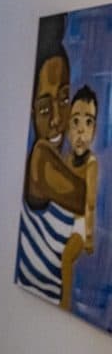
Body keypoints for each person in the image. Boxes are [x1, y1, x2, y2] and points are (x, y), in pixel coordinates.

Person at [15, 52, 87, 303]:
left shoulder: (64, 161)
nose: (57, 119)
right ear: (32, 111)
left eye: (65, 98)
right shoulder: (41, 159)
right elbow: (86, 199)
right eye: (45, 109)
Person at [60, 85, 99, 309]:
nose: (81, 131)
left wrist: (90, 236)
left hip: (80, 225)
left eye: (88, 122)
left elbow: (91, 202)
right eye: (76, 122)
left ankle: (64, 305)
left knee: (66, 260)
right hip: (64, 219)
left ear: (94, 130)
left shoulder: (91, 164)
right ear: (68, 128)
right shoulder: (66, 160)